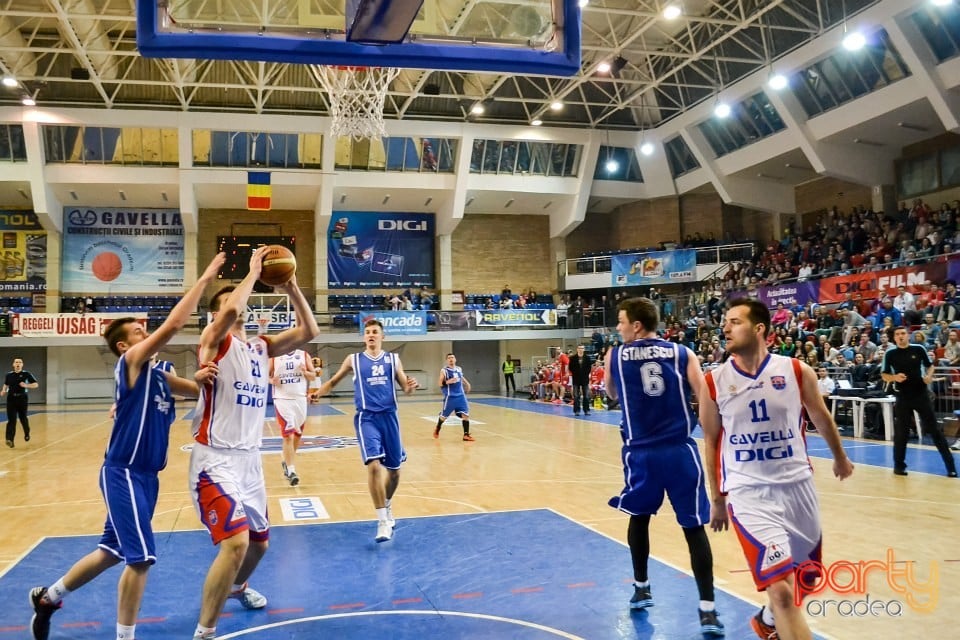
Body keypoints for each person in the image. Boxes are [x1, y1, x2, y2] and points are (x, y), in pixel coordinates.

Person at [28, 253, 225, 640]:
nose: (144, 332)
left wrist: (204, 375)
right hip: (123, 472)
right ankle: (125, 636)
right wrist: (203, 280)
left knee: (113, 550)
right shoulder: (131, 363)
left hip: (148, 478)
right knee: (141, 560)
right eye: (138, 330)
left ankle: (49, 597)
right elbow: (173, 325)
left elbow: (194, 389)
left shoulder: (161, 373)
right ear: (123, 346)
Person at [699, 298, 854, 640]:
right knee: (781, 592)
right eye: (725, 321)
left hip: (798, 487)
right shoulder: (714, 382)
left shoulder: (796, 371)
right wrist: (718, 497)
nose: (725, 327)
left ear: (759, 329)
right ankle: (775, 614)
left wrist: (840, 457)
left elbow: (819, 415)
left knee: (806, 580)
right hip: (748, 493)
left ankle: (767, 621)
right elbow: (710, 441)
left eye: (735, 321)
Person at [189, 246, 320, 640]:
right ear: (216, 313)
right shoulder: (214, 341)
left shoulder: (260, 347)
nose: (236, 305)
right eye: (228, 301)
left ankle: (236, 587)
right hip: (214, 459)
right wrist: (251, 273)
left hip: (249, 461)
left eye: (238, 298)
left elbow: (310, 332)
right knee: (236, 544)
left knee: (259, 546)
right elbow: (229, 313)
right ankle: (205, 632)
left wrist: (293, 286)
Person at [604, 297, 724, 636]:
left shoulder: (616, 354)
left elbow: (612, 393)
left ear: (636, 326)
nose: (618, 327)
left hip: (641, 453)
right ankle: (708, 609)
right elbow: (704, 395)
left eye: (621, 321)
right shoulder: (683, 353)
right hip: (680, 452)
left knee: (639, 519)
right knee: (694, 528)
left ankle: (642, 587)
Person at [316, 318, 418, 543]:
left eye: (375, 332)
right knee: (373, 466)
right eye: (368, 332)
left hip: (390, 418)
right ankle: (382, 522)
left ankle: (388, 504)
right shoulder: (353, 359)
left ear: (383, 337)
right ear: (364, 337)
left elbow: (405, 388)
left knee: (394, 472)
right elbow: (332, 381)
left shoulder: (393, 359)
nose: (371, 335)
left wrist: (410, 386)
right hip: (366, 417)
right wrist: (317, 393)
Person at [880, 326, 958, 478]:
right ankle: (899, 466)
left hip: (921, 394)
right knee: (901, 433)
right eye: (897, 334)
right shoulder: (890, 353)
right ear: (894, 338)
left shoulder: (919, 349)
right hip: (902, 395)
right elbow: (884, 375)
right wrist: (894, 378)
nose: (901, 336)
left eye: (903, 333)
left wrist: (929, 376)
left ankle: (950, 466)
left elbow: (930, 367)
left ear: (908, 335)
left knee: (935, 430)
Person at [269, 348, 316, 486]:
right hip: (282, 398)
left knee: (297, 435)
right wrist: (272, 381)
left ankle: (286, 461)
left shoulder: (304, 354)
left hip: (300, 399)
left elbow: (313, 376)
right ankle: (291, 470)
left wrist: (305, 371)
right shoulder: (275, 355)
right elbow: (264, 375)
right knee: (288, 435)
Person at [433, 353, 474, 441]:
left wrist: (467, 383)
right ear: (447, 360)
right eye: (449, 358)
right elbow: (440, 383)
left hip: (461, 396)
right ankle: (438, 427)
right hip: (450, 397)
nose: (451, 359)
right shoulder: (444, 370)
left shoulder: (459, 369)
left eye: (452, 357)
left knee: (465, 415)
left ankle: (466, 435)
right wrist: (448, 382)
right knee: (444, 417)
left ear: (455, 359)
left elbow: (461, 377)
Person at [2, 357, 39, 447]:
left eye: (20, 362)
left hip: (22, 399)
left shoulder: (26, 374)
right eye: (16, 362)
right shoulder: (9, 375)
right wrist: (3, 390)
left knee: (23, 418)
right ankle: (9, 440)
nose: (18, 364)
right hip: (11, 399)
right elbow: (6, 384)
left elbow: (36, 384)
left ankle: (26, 433)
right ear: (13, 364)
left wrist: (26, 385)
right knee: (11, 420)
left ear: (22, 364)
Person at [568, 344, 592, 416]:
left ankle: (586, 410)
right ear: (577, 349)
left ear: (584, 349)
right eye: (580, 348)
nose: (581, 349)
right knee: (576, 396)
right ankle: (577, 411)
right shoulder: (572, 358)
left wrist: (585, 374)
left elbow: (589, 368)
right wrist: (576, 373)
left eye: (582, 348)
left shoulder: (587, 358)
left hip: (585, 379)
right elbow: (570, 368)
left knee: (586, 396)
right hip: (576, 379)